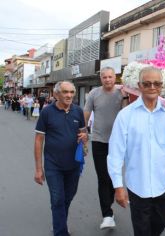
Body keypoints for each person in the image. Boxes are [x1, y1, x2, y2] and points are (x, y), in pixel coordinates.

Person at [107, 66, 165, 236]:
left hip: (163, 184)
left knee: (160, 224)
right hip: (138, 185)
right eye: (147, 83)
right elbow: (115, 153)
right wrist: (118, 186)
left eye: (156, 83)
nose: (152, 87)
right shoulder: (126, 115)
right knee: (142, 231)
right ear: (139, 85)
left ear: (161, 86)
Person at [34, 81, 88, 236]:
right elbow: (38, 140)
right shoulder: (47, 112)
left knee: (68, 198)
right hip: (53, 165)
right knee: (57, 199)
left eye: (72, 92)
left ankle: (60, 223)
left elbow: (83, 134)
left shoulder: (78, 111)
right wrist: (39, 169)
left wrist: (85, 137)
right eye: (65, 92)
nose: (69, 95)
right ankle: (60, 231)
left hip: (74, 165)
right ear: (56, 94)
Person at [83, 66, 129, 229]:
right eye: (105, 77)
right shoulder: (94, 93)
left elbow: (126, 115)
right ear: (100, 78)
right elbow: (86, 112)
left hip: (118, 143)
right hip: (99, 141)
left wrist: (124, 98)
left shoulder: (122, 92)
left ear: (114, 77)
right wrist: (83, 133)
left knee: (112, 176)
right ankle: (107, 215)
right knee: (103, 177)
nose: (108, 79)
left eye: (110, 77)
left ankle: (109, 202)